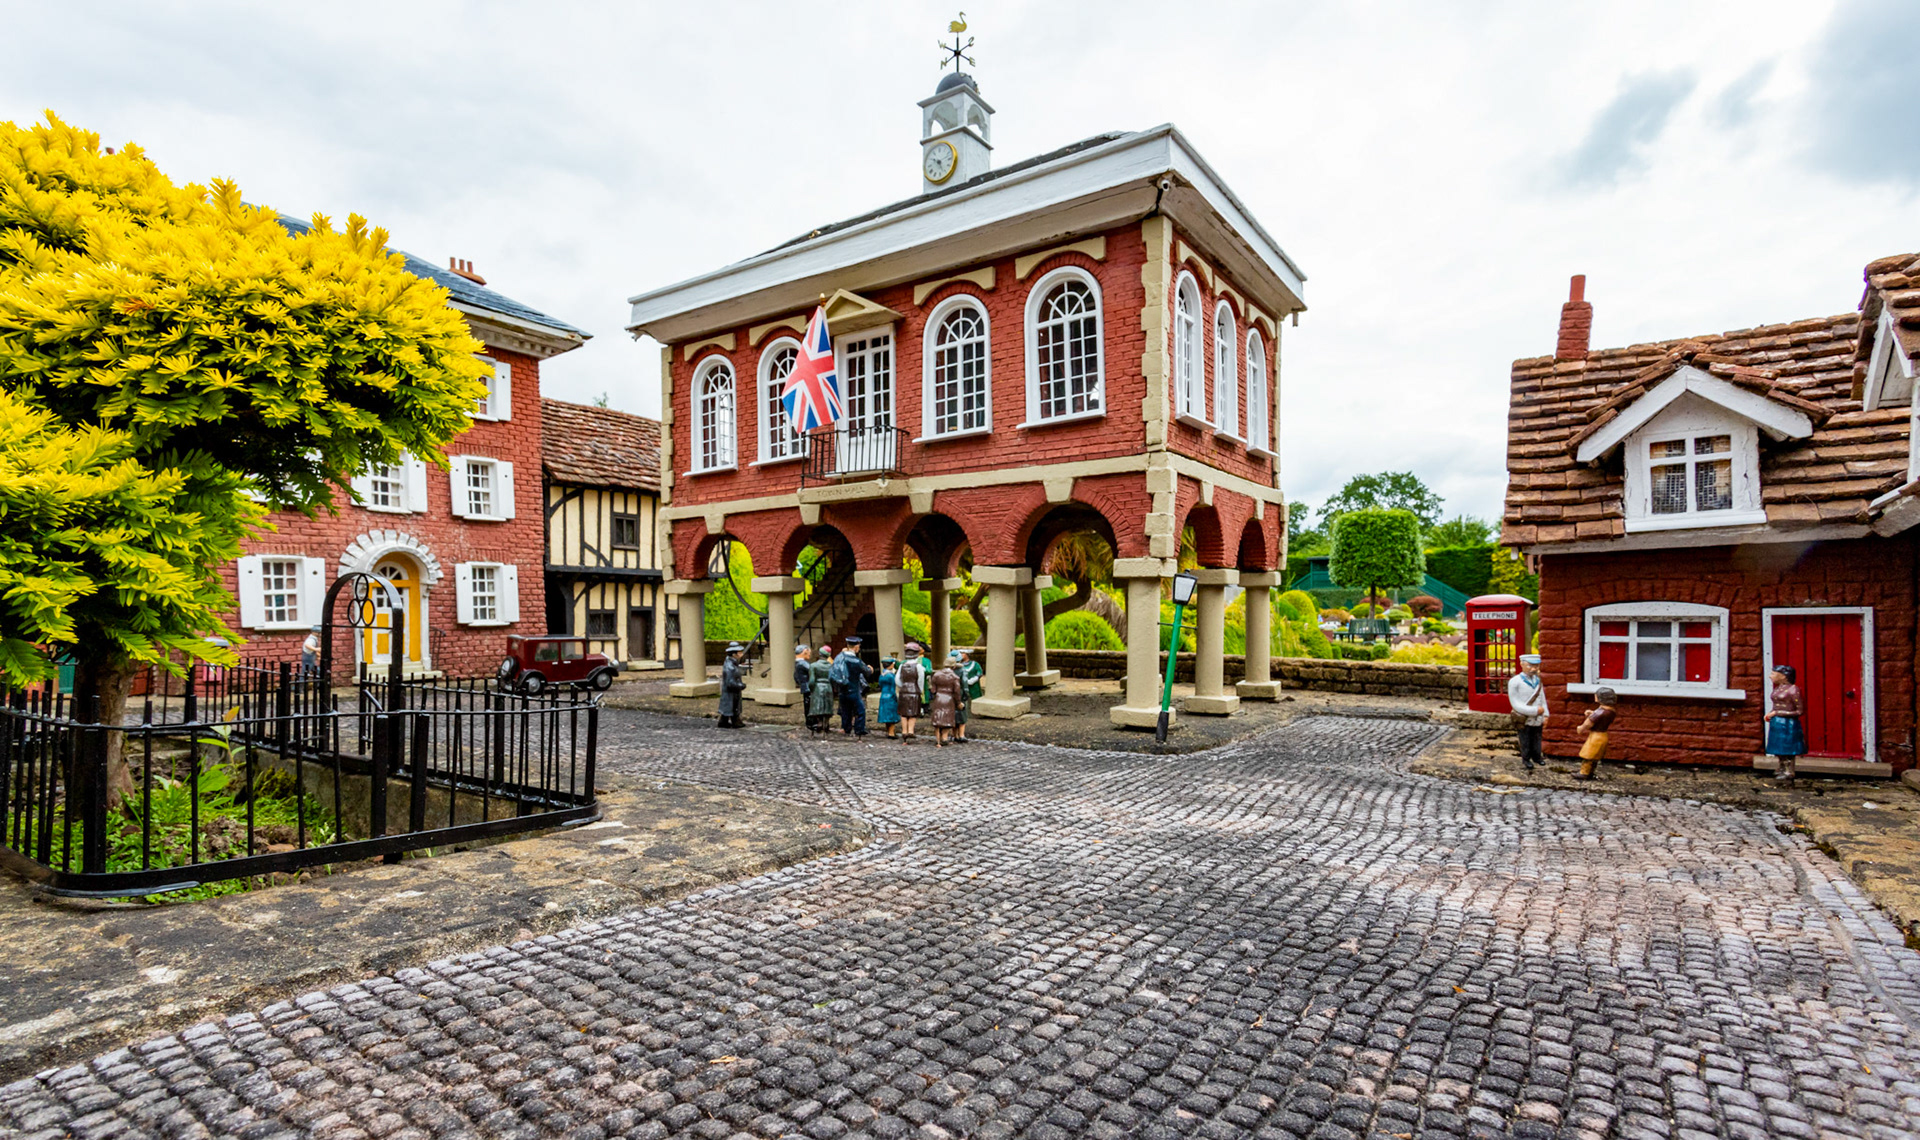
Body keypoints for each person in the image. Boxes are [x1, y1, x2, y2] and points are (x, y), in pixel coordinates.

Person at [1765, 664, 1806, 786]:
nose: (1770, 676)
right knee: (1778, 748)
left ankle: (1789, 771)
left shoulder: (1793, 690)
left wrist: (1777, 713)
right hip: (1777, 722)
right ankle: (1781, 768)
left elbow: (1799, 711)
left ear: (1783, 676)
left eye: (1773, 674)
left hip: (1788, 723)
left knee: (1788, 748)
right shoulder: (1777, 689)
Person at [1508, 653, 1548, 771]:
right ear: (1522, 664)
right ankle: (1526, 759)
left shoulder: (1538, 681)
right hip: (1524, 718)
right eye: (1530, 666)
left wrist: (1546, 715)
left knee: (1537, 738)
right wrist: (1535, 710)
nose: (1534, 669)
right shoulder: (1515, 682)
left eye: (1536, 666)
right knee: (1525, 739)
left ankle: (1537, 757)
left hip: (1538, 718)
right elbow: (1515, 703)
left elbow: (1543, 699)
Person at [834, 637, 873, 736]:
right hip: (854, 689)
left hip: (842, 689)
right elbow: (867, 672)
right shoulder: (856, 661)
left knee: (845, 710)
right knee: (860, 710)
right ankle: (859, 729)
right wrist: (870, 669)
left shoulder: (839, 657)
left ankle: (846, 728)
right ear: (856, 647)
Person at [1575, 687, 1617, 780]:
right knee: (1595, 756)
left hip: (1595, 736)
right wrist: (1593, 713)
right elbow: (1601, 717)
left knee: (1588, 755)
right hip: (1603, 735)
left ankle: (1584, 773)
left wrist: (1581, 728)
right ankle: (1590, 772)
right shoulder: (1611, 711)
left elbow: (1589, 723)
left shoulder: (1599, 712)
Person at [927, 654, 965, 747]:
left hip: (939, 697)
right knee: (948, 718)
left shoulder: (936, 674)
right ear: (954, 666)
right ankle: (944, 737)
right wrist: (958, 702)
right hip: (949, 698)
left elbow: (933, 689)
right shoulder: (955, 677)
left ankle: (938, 738)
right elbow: (957, 691)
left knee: (938, 717)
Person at [896, 642, 926, 741]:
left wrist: (903, 686)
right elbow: (921, 680)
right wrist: (920, 690)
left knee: (903, 713)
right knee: (913, 713)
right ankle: (910, 731)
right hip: (914, 691)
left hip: (904, 691)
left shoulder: (902, 665)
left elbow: (897, 679)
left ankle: (904, 731)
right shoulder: (919, 667)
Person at [955, 648, 983, 743]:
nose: (961, 655)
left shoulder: (974, 664)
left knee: (975, 698)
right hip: (962, 687)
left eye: (962, 653)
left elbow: (979, 673)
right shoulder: (958, 666)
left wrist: (973, 680)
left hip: (973, 685)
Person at [716, 643, 748, 729]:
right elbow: (730, 682)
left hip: (732, 691)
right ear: (734, 654)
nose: (741, 654)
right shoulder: (730, 666)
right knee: (732, 707)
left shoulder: (731, 664)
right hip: (731, 691)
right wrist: (740, 685)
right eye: (740, 652)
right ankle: (735, 722)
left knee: (731, 707)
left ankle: (724, 722)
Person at [806, 644, 836, 735]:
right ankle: (826, 722)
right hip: (828, 686)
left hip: (817, 687)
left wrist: (811, 689)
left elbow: (811, 681)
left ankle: (819, 722)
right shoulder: (831, 666)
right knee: (827, 705)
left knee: (817, 706)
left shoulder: (813, 666)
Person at [877, 657, 901, 738]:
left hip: (883, 695)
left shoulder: (882, 675)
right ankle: (891, 733)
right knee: (891, 715)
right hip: (890, 696)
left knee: (886, 715)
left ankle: (889, 731)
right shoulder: (891, 676)